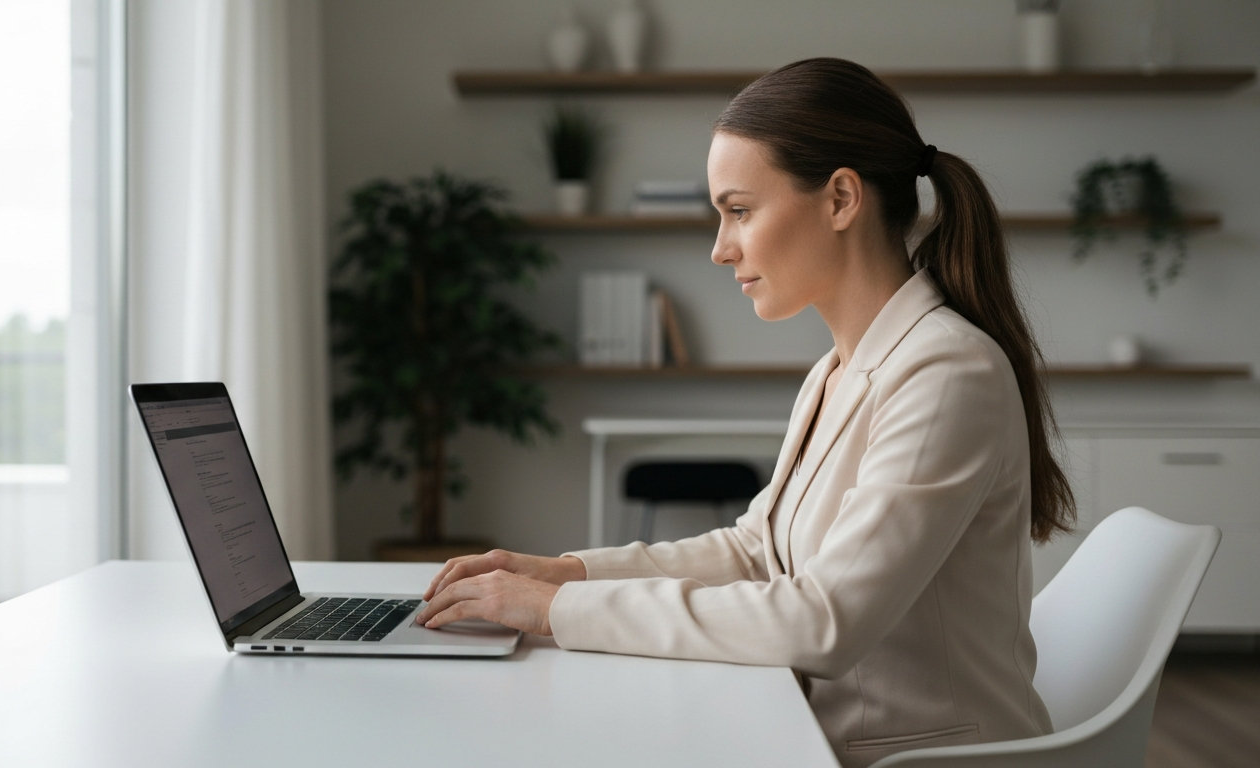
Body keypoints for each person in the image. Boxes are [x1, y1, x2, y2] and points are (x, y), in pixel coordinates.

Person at [414, 57, 1075, 767]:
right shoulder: (837, 370)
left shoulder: (946, 372)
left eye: (739, 210)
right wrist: (565, 574)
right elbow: (755, 551)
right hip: (814, 737)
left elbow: (825, 621)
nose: (721, 248)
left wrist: (551, 613)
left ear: (841, 199)